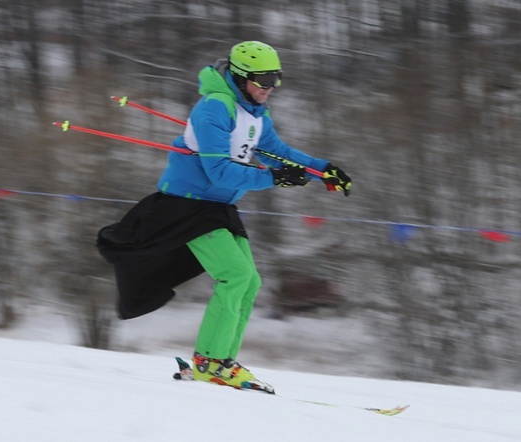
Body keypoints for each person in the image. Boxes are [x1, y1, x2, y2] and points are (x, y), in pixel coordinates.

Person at [96, 40, 351, 391]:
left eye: (276, 79)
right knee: (234, 275)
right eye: (263, 80)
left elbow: (278, 153)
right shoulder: (214, 108)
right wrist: (274, 177)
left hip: (216, 206)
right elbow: (219, 171)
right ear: (241, 77)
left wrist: (323, 171)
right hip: (187, 205)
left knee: (250, 281)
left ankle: (221, 362)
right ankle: (210, 363)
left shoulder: (255, 113)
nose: (270, 88)